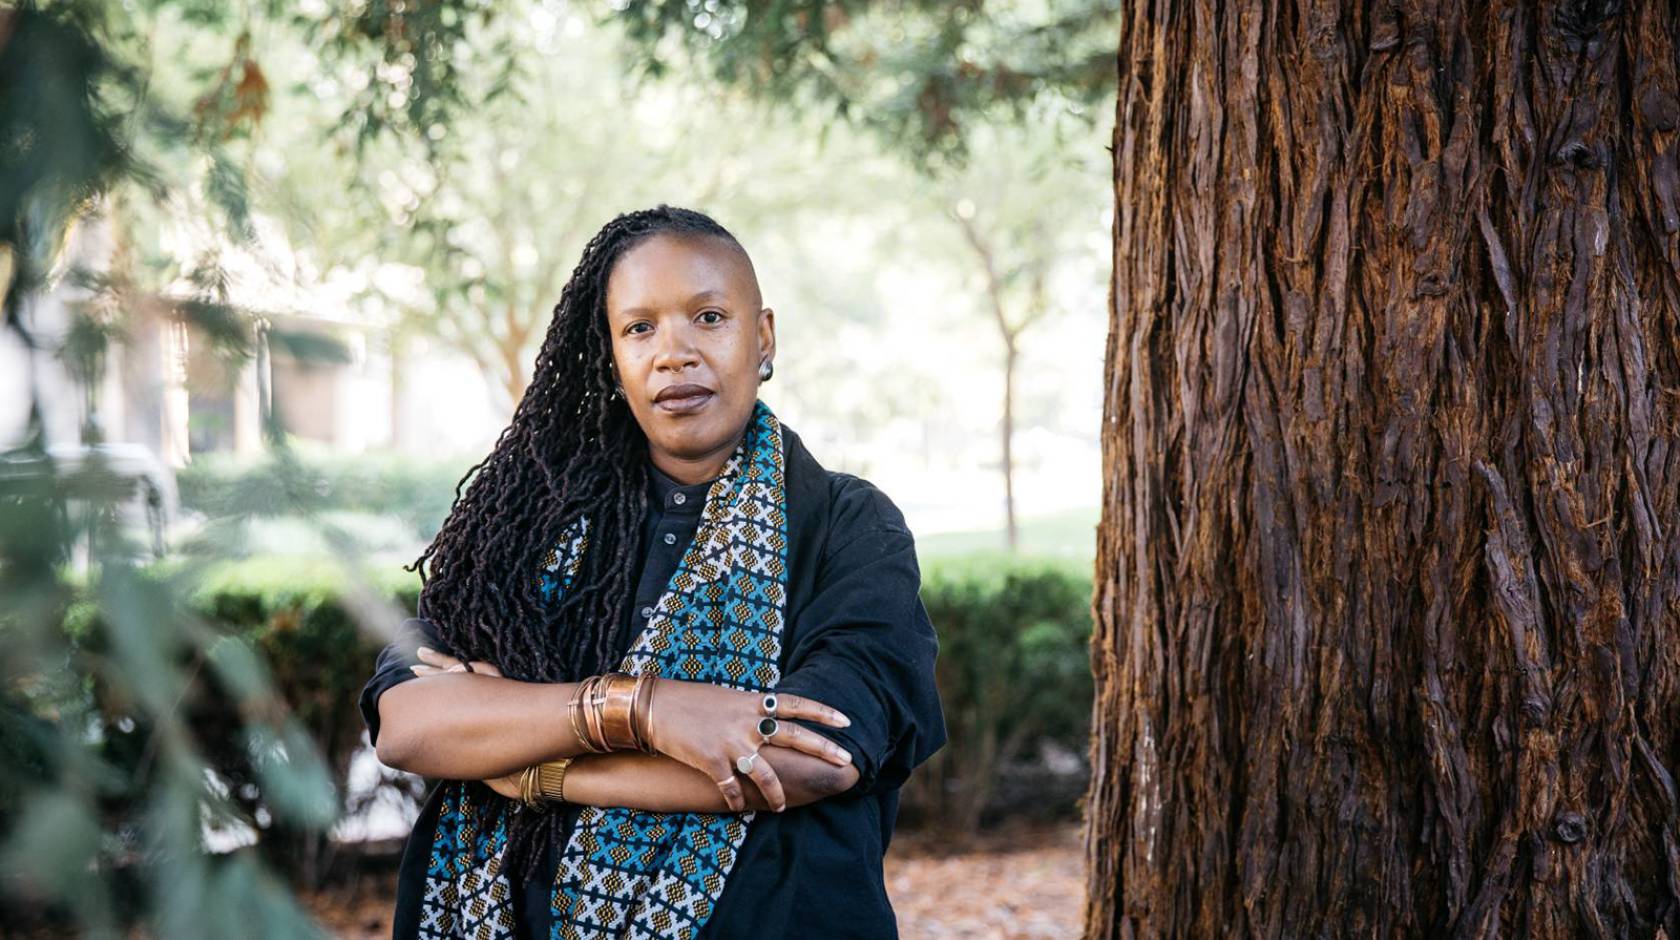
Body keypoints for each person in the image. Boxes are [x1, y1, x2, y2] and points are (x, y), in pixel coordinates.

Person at [358, 204, 947, 939]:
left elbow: (810, 762)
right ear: (611, 354)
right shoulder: (523, 522)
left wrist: (537, 771)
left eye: (708, 317)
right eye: (640, 328)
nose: (675, 353)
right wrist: (646, 710)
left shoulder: (847, 526)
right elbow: (410, 723)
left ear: (762, 337)